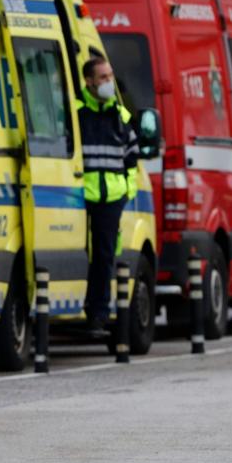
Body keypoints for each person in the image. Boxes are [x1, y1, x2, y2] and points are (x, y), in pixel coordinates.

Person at [78, 57, 139, 335]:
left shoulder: (121, 116)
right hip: (80, 196)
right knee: (81, 252)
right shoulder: (78, 114)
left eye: (110, 76)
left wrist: (127, 193)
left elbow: (132, 162)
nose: (108, 82)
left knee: (104, 255)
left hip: (112, 199)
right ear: (89, 81)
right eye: (102, 77)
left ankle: (98, 314)